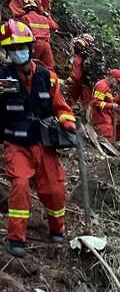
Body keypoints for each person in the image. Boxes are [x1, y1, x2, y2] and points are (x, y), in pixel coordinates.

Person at [0, 20, 76, 258]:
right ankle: (16, 239)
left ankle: (57, 229)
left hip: (44, 144)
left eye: (22, 47)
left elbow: (61, 106)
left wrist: (68, 122)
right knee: (20, 186)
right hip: (16, 145)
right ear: (7, 53)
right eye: (13, 49)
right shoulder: (2, 79)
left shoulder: (47, 77)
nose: (18, 52)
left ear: (31, 48)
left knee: (54, 190)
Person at [16, 0, 57, 69]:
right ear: (36, 9)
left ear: (25, 10)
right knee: (49, 66)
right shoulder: (44, 18)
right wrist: (48, 16)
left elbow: (21, 34)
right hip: (46, 44)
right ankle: (50, 78)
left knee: (30, 64)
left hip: (35, 44)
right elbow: (55, 27)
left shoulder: (25, 18)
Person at [91, 69, 120, 140]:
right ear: (112, 78)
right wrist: (111, 106)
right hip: (101, 121)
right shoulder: (102, 86)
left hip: (106, 120)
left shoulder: (109, 87)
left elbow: (106, 99)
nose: (118, 84)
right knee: (105, 140)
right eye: (118, 82)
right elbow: (96, 102)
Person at [66, 34, 95, 107]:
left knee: (87, 106)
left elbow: (75, 77)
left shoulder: (78, 59)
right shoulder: (92, 57)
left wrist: (65, 82)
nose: (76, 46)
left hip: (84, 85)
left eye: (78, 45)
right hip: (89, 84)